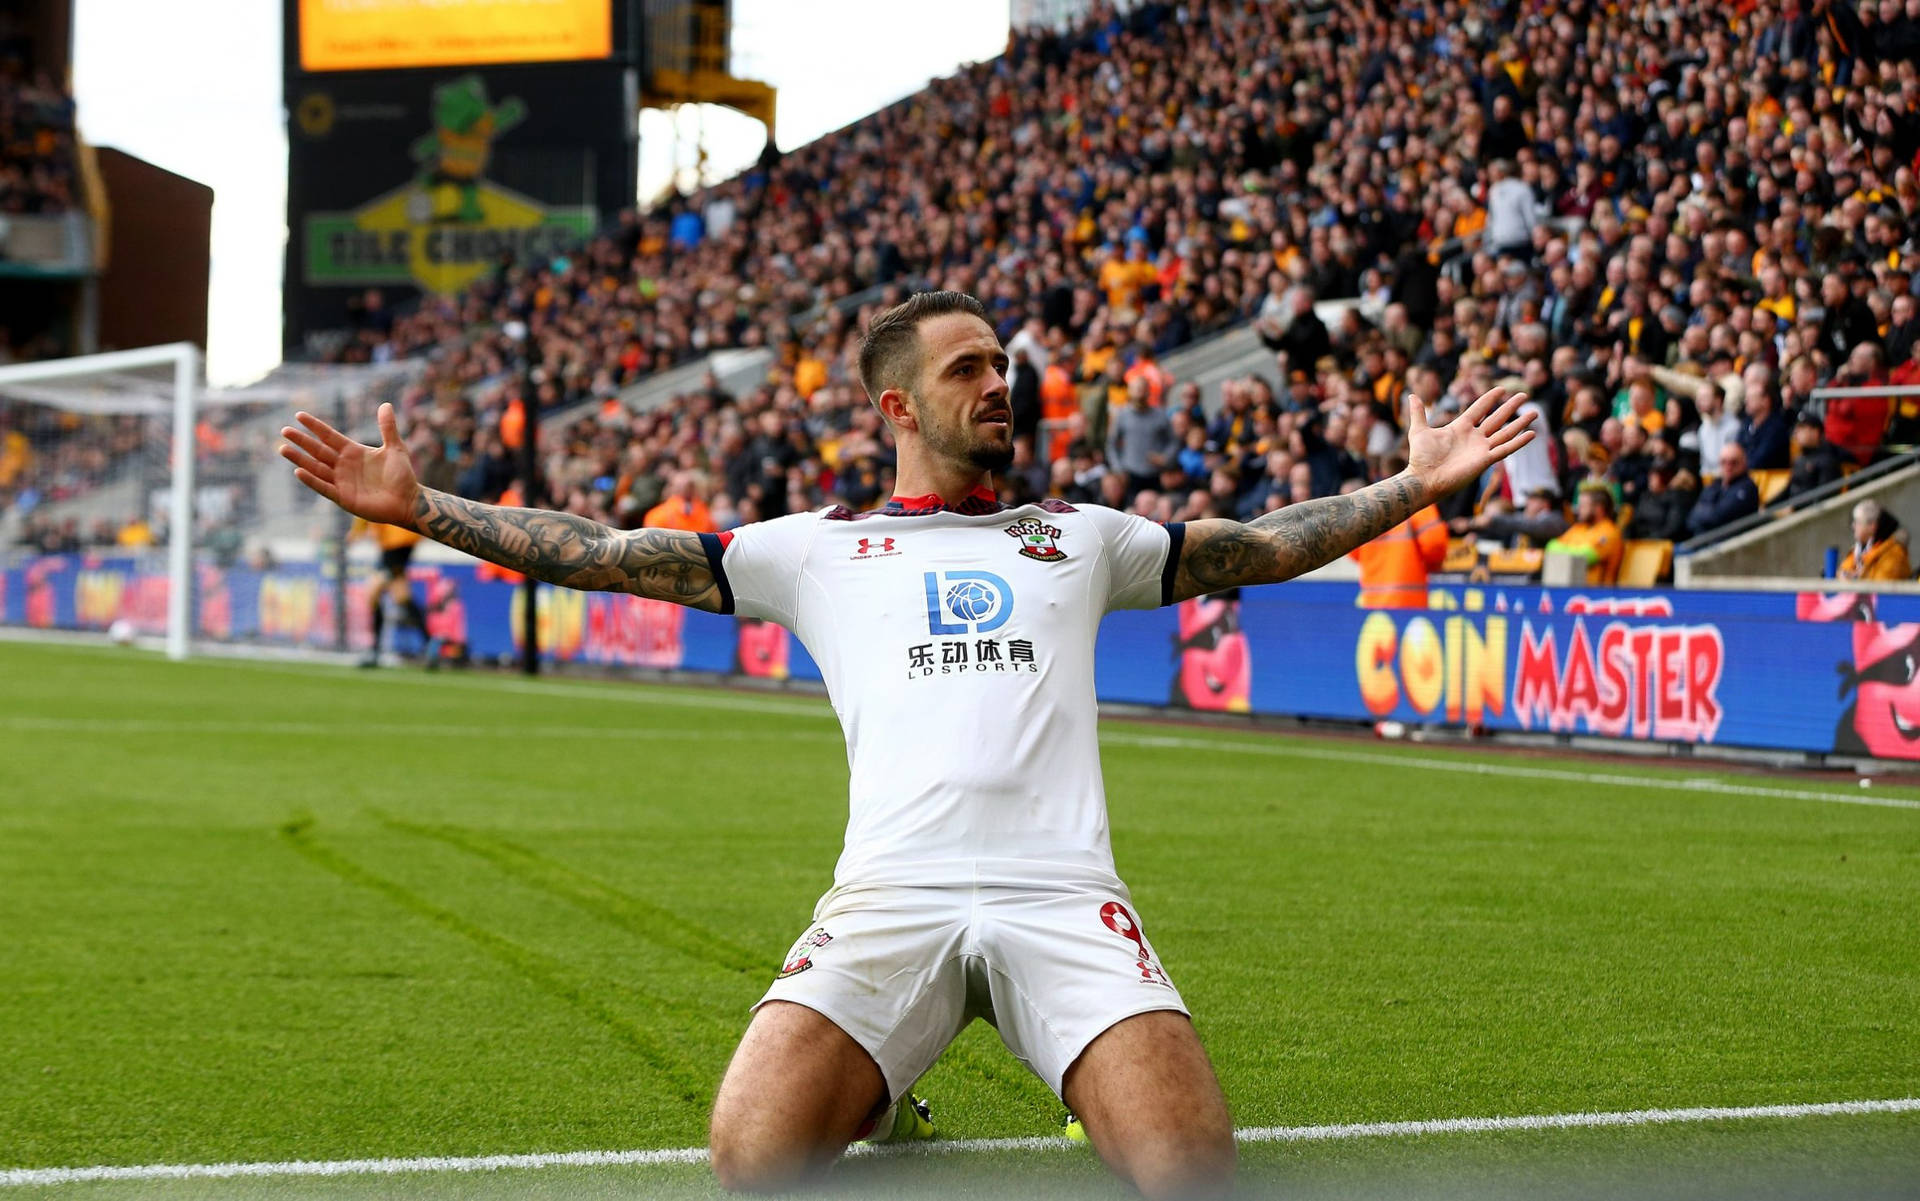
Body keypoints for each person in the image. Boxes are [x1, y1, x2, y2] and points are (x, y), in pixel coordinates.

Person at [278, 291, 1536, 1199]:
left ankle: (1005, 1068)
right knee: (752, 1158)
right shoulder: (812, 548)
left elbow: (1256, 544)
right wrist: (423, 509)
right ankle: (885, 1085)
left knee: (1192, 1171)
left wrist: (1410, 488)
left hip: (1063, 896)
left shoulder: (1082, 536)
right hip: (891, 896)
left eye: (1004, 364)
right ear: (897, 405)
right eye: (969, 369)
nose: (1001, 384)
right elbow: (607, 552)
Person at [349, 516, 428, 667]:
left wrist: (355, 533)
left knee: (373, 591)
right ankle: (430, 643)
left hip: (396, 542)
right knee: (401, 597)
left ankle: (374, 650)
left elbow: (363, 512)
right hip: (400, 540)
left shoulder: (370, 495)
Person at [1349, 496, 1448, 608]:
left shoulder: (1366, 506)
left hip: (1373, 604)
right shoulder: (1418, 501)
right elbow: (1435, 544)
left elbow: (1352, 551)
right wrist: (1433, 565)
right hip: (1409, 604)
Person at [1545, 484, 1623, 585]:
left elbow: (1585, 557)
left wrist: (1566, 549)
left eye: (1582, 506)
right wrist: (1578, 550)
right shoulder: (1578, 528)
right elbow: (1550, 547)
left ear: (1598, 508)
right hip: (1570, 588)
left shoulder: (1610, 532)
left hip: (1597, 594)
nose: (1578, 510)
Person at [1687, 444, 1762, 537]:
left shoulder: (1747, 488)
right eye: (1724, 462)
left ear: (1744, 462)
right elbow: (1691, 519)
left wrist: (1704, 512)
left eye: (1733, 462)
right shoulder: (1715, 484)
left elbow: (1718, 517)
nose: (1728, 466)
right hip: (1700, 540)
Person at [1837, 500, 1912, 582]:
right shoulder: (1858, 549)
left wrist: (1856, 578)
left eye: (1857, 522)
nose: (1853, 526)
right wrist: (1848, 576)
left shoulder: (1895, 553)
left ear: (1872, 526)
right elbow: (1843, 571)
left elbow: (1883, 586)